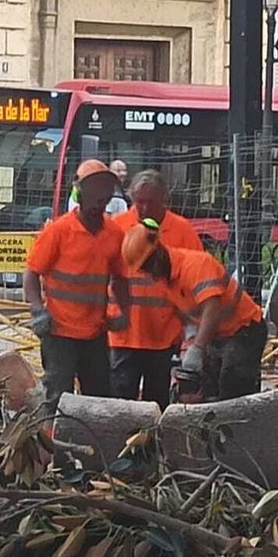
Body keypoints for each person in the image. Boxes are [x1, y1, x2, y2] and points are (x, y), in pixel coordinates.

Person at [25, 160, 132, 413]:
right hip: (59, 333)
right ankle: (50, 449)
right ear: (80, 195)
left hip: (95, 334)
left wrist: (125, 313)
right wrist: (38, 310)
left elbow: (120, 280)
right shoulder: (59, 231)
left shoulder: (114, 234)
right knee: (57, 399)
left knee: (99, 402)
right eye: (95, 201)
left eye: (103, 202)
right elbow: (31, 274)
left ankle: (95, 448)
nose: (99, 207)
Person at [121, 222, 267, 401]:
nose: (150, 271)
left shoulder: (195, 266)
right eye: (145, 269)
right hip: (218, 335)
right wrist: (189, 342)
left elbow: (212, 308)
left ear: (158, 249)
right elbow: (184, 315)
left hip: (245, 328)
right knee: (205, 389)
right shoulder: (168, 283)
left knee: (232, 386)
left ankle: (240, 425)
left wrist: (197, 348)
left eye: (149, 264)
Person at [107, 170, 203, 409]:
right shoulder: (117, 228)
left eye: (150, 202)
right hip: (123, 337)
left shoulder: (183, 232)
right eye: (139, 202)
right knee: (121, 403)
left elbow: (195, 284)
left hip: (164, 338)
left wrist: (191, 335)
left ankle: (151, 447)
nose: (143, 209)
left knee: (157, 404)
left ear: (164, 200)